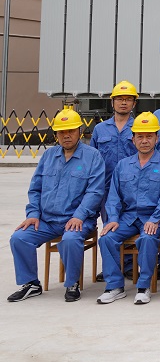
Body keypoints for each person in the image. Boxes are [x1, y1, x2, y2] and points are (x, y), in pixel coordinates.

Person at [7, 109, 105, 303]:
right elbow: (35, 189)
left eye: (71, 131)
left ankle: (72, 283)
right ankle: (31, 284)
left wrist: (79, 215)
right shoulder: (48, 156)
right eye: (61, 132)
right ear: (56, 134)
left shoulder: (93, 156)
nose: (66, 135)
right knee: (19, 238)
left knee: (69, 240)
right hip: (47, 220)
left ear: (80, 132)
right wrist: (33, 213)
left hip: (78, 220)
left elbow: (95, 192)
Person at [96, 112, 160, 305]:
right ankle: (115, 286)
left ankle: (143, 286)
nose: (144, 141)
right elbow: (113, 196)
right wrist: (112, 218)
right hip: (128, 217)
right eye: (140, 136)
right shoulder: (123, 165)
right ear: (133, 139)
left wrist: (155, 219)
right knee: (106, 238)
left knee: (147, 238)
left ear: (157, 138)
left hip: (153, 217)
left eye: (149, 136)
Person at [90, 81, 139, 214]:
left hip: (133, 186)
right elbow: (92, 160)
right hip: (106, 185)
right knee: (109, 222)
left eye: (128, 99)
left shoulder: (139, 128)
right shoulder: (100, 129)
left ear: (134, 103)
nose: (124, 102)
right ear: (112, 102)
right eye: (119, 99)